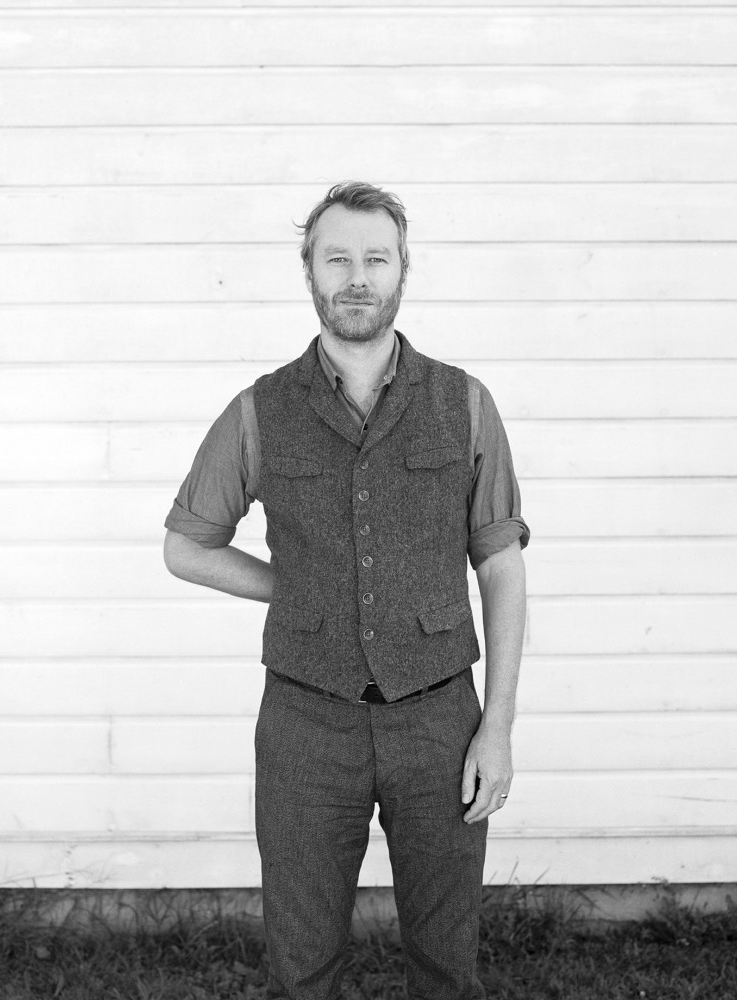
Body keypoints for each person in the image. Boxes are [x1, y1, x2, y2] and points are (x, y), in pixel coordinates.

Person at [163, 181, 529, 1000]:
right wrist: (298, 591)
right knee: (301, 969)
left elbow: (501, 564)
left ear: (403, 269)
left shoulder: (465, 404)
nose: (357, 278)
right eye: (337, 259)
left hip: (439, 718)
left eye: (375, 258)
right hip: (305, 722)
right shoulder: (258, 411)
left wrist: (497, 725)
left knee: (447, 967)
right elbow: (187, 547)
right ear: (310, 273)